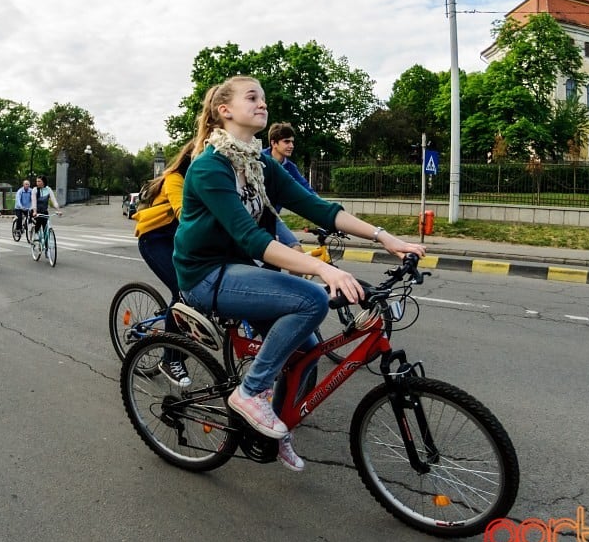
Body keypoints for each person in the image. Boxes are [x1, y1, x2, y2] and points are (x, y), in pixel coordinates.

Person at [173, 76, 426, 472]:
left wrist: (386, 238)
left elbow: (318, 207)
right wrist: (323, 269)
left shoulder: (259, 165)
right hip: (205, 275)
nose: (262, 104)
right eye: (252, 97)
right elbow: (252, 238)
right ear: (225, 110)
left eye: (264, 98)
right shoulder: (209, 168)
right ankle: (251, 392)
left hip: (239, 269)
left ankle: (274, 430)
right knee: (311, 299)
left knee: (307, 348)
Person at [132, 142, 194, 387]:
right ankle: (170, 359)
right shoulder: (174, 179)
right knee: (181, 292)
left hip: (177, 241)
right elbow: (183, 212)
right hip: (155, 240)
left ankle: (181, 332)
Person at [263, 122, 317, 251]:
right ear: (274, 143)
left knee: (297, 251)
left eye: (292, 142)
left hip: (271, 217)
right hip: (250, 218)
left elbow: (307, 190)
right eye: (286, 142)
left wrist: (326, 211)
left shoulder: (290, 167)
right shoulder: (259, 159)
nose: (291, 146)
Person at [29, 175, 61, 241]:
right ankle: (36, 233)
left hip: (44, 211)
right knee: (39, 220)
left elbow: (53, 200)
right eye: (36, 181)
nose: (37, 183)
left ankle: (47, 249)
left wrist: (58, 210)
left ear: (43, 182)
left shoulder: (48, 189)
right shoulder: (35, 190)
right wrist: (35, 211)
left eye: (39, 181)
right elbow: (34, 201)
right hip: (36, 211)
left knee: (45, 229)